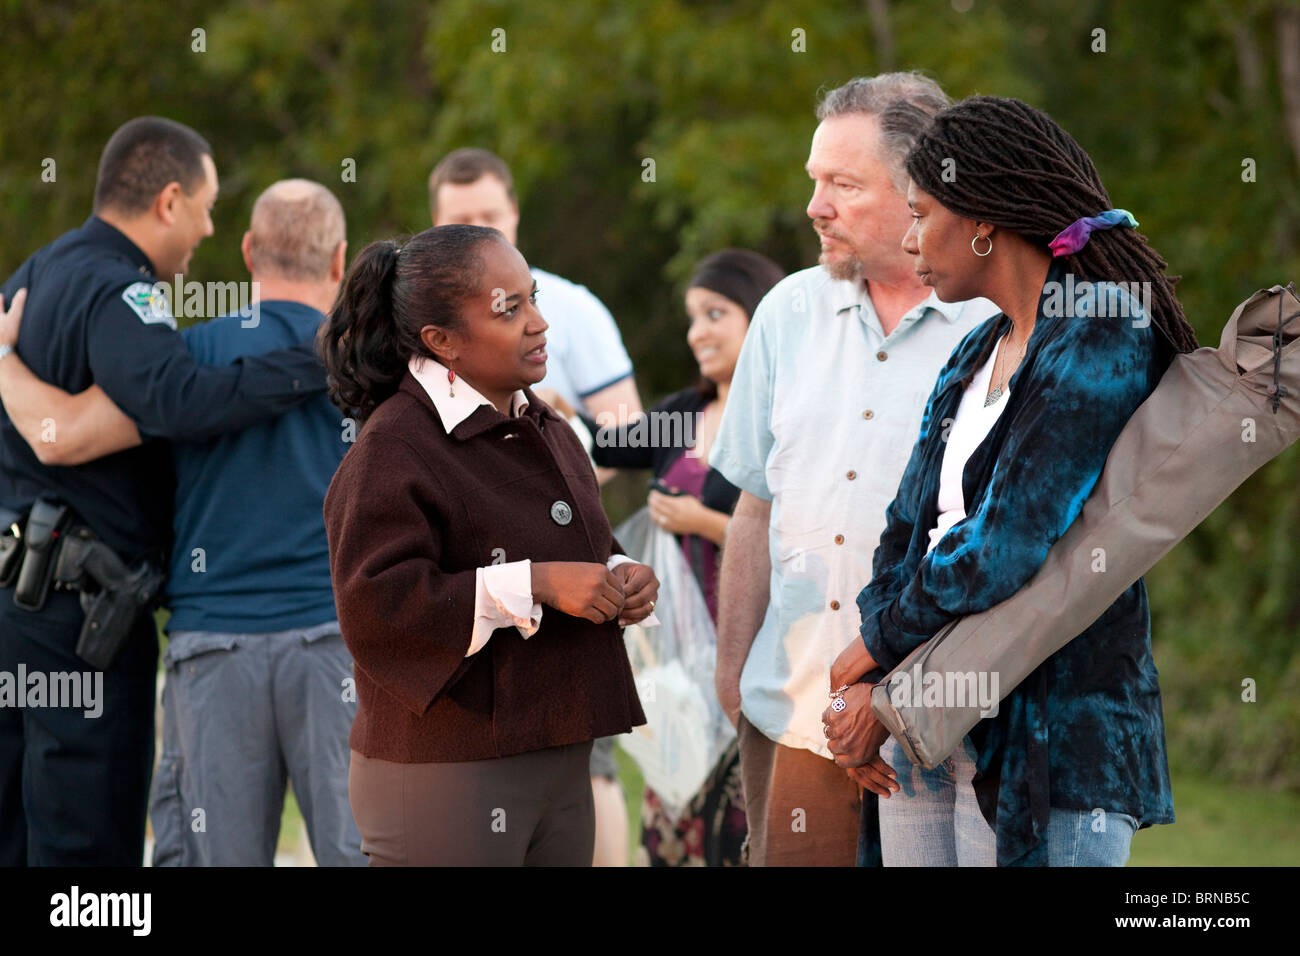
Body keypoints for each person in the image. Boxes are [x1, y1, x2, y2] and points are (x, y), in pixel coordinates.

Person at [822, 95, 1196, 867]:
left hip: (1054, 734)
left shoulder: (1101, 331)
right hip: (926, 718)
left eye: (923, 215)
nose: (910, 236)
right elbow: (906, 529)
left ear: (984, 220)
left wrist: (874, 645)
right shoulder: (976, 351)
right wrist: (877, 683)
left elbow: (1007, 541)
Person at [0, 117, 327, 866]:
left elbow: (55, 434)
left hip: (19, 604)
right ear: (170, 200)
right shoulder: (121, 290)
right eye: (209, 208)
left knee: (17, 831)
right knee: (86, 841)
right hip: (78, 618)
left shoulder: (35, 273)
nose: (210, 231)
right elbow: (179, 400)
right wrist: (318, 361)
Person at [708, 73, 1000, 867]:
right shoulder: (784, 315)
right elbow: (755, 507)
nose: (815, 206)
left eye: (841, 184)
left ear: (918, 194)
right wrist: (734, 675)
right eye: (814, 182)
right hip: (798, 716)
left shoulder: (1001, 323)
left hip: (951, 724)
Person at [320, 224, 657, 866]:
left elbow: (577, 542)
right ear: (441, 341)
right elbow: (376, 605)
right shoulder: (394, 445)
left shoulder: (542, 421)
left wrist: (618, 572)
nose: (539, 324)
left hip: (558, 754)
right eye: (510, 308)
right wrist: (535, 584)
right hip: (450, 767)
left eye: (533, 298)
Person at [429, 146, 645, 864]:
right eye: (461, 220)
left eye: (489, 216)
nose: (479, 228)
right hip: (463, 585)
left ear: (514, 214)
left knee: (586, 762)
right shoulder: (420, 320)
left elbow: (629, 434)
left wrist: (555, 449)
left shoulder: (572, 308)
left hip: (567, 569)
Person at [552, 248, 784, 866]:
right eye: (691, 317)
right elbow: (604, 445)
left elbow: (800, 534)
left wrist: (704, 522)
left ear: (760, 317)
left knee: (743, 831)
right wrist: (556, 414)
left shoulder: (783, 415)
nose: (697, 332)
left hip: (759, 653)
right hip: (680, 676)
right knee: (675, 826)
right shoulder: (683, 414)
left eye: (715, 313)